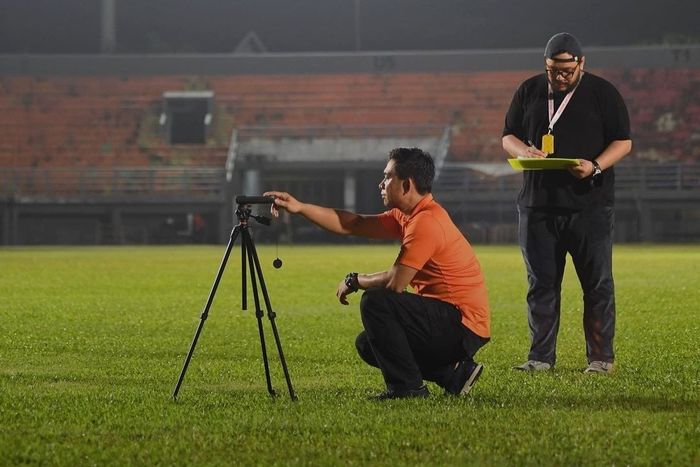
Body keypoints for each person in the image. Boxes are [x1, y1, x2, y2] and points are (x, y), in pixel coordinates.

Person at [264, 148, 490, 399]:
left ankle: (407, 390)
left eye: (387, 177)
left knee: (376, 300)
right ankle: (454, 374)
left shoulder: (426, 221)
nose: (380, 183)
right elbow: (353, 223)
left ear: (406, 184)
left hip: (462, 326)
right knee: (369, 344)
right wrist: (300, 207)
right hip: (450, 321)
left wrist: (356, 280)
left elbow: (396, 283)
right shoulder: (408, 215)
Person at [502, 32, 632, 374]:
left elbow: (624, 141)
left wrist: (596, 166)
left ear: (581, 64)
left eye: (566, 71)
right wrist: (523, 151)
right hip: (537, 205)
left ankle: (601, 359)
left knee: (597, 284)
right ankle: (540, 358)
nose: (559, 77)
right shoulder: (529, 90)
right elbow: (508, 135)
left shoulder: (603, 93)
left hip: (589, 206)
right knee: (540, 285)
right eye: (552, 70)